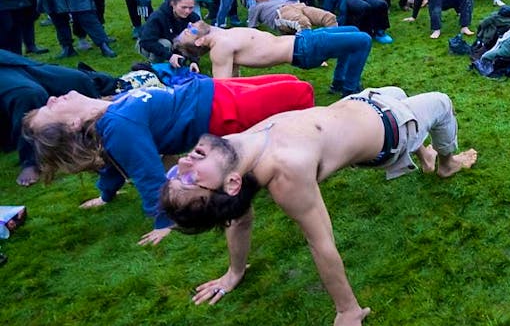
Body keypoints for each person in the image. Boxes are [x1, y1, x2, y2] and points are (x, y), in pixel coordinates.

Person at [159, 86, 478, 323]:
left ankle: (424, 155)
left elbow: (238, 218)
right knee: (441, 102)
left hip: (363, 102)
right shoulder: (286, 171)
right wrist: (347, 310)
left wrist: (234, 272)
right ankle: (446, 163)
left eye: (175, 173)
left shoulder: (233, 152)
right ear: (229, 184)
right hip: (391, 130)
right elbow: (320, 243)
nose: (185, 162)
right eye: (189, 180)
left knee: (398, 90)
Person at [24, 74, 315, 244]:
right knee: (300, 93)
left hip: (210, 89)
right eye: (48, 110)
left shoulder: (107, 111)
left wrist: (105, 195)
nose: (50, 100)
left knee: (290, 81)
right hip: (218, 110)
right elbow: (147, 173)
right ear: (72, 125)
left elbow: (110, 162)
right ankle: (316, 144)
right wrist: (164, 221)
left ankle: (307, 135)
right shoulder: (118, 125)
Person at [0, 50, 115, 186]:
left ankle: (104, 125)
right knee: (28, 94)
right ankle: (31, 160)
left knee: (76, 79)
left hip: (9, 60)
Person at [174, 18, 372, 94]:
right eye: (188, 31)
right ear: (199, 42)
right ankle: (350, 89)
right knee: (362, 40)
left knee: (354, 28)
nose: (190, 25)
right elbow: (223, 88)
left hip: (302, 39)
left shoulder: (218, 34)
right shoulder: (220, 48)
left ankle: (339, 83)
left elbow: (234, 73)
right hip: (304, 50)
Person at [139, 0, 201, 64]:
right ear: (173, 5)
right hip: (151, 43)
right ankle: (154, 66)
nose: (187, 11)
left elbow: (195, 41)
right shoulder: (157, 17)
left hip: (175, 42)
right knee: (165, 44)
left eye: (191, 8)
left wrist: (194, 62)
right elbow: (146, 41)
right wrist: (169, 56)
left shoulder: (194, 18)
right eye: (183, 7)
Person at [247, 0, 337, 34]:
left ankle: (336, 44)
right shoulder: (255, 7)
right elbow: (252, 27)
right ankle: (310, 52)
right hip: (280, 13)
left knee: (329, 17)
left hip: (299, 6)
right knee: (302, 22)